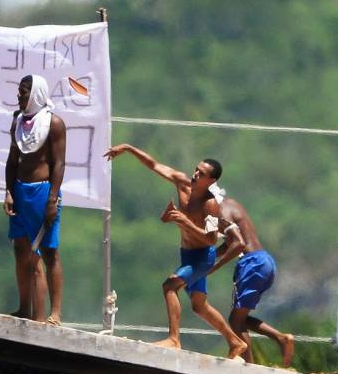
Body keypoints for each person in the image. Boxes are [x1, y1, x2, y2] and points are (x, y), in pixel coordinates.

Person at [103, 144, 247, 360]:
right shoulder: (182, 184)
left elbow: (209, 238)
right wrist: (129, 149)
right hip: (187, 254)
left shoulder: (210, 205)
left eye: (202, 174)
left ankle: (174, 339)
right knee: (199, 306)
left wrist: (184, 222)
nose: (195, 174)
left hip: (201, 257)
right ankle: (236, 342)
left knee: (170, 286)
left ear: (212, 181)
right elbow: (154, 165)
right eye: (196, 170)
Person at [205, 194, 295, 366]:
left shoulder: (220, 213)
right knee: (240, 319)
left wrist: (212, 269)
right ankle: (280, 338)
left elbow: (237, 245)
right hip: (264, 261)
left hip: (251, 264)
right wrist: (211, 256)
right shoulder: (231, 205)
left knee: (235, 321)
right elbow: (230, 243)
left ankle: (249, 367)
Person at [4, 75, 66, 325]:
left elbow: (59, 163)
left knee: (46, 253)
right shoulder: (17, 121)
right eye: (19, 92)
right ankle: (24, 308)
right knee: (20, 249)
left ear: (36, 95)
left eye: (24, 93)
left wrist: (52, 198)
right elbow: (12, 159)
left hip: (42, 193)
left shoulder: (54, 124)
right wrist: (9, 191)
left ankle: (51, 315)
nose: (19, 97)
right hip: (20, 191)